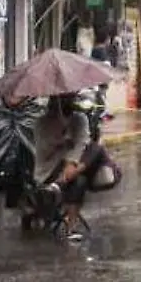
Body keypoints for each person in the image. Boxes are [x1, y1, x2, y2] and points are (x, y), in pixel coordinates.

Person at [35, 93, 118, 240]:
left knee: (94, 152)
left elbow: (81, 144)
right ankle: (60, 187)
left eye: (71, 97)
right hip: (49, 169)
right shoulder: (42, 122)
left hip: (71, 168)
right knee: (80, 178)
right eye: (64, 98)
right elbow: (44, 150)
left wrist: (71, 163)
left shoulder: (80, 119)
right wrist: (62, 138)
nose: (69, 101)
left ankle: (70, 225)